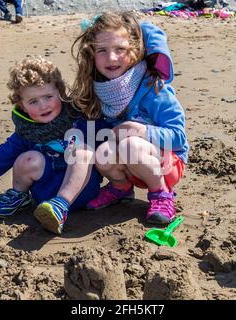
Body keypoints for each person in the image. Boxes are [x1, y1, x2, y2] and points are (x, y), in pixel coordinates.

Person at [0, 57, 103, 235]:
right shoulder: (26, 131)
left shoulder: (78, 117)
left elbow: (108, 137)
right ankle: (19, 195)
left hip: (83, 190)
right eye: (33, 101)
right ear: (22, 106)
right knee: (27, 158)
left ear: (60, 92)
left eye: (48, 97)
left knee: (83, 151)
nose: (43, 105)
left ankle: (61, 205)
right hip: (43, 196)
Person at [70, 12, 189, 225]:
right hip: (130, 164)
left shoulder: (154, 87)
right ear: (92, 55)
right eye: (102, 51)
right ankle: (121, 188)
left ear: (134, 50)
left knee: (131, 144)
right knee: (103, 152)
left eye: (120, 49)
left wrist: (142, 131)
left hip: (167, 164)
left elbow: (179, 137)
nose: (111, 58)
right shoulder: (101, 90)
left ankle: (161, 195)